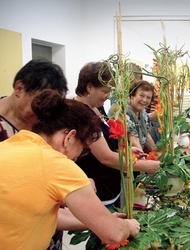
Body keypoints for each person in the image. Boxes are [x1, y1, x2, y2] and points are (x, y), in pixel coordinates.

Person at [0, 90, 140, 249]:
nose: (78, 157)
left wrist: (101, 219)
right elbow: (113, 233)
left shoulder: (11, 145)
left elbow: (48, 215)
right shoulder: (57, 164)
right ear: (70, 137)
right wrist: (127, 227)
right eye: (84, 149)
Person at [0, 58, 88, 249]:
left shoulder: (41, 122)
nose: (44, 110)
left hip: (50, 229)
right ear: (19, 88)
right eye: (40, 101)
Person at [74, 61, 160, 208]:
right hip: (97, 193)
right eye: (104, 91)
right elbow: (105, 157)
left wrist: (126, 151)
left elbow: (107, 143)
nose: (108, 96)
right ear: (89, 87)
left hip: (110, 188)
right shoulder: (81, 115)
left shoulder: (96, 108)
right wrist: (144, 166)